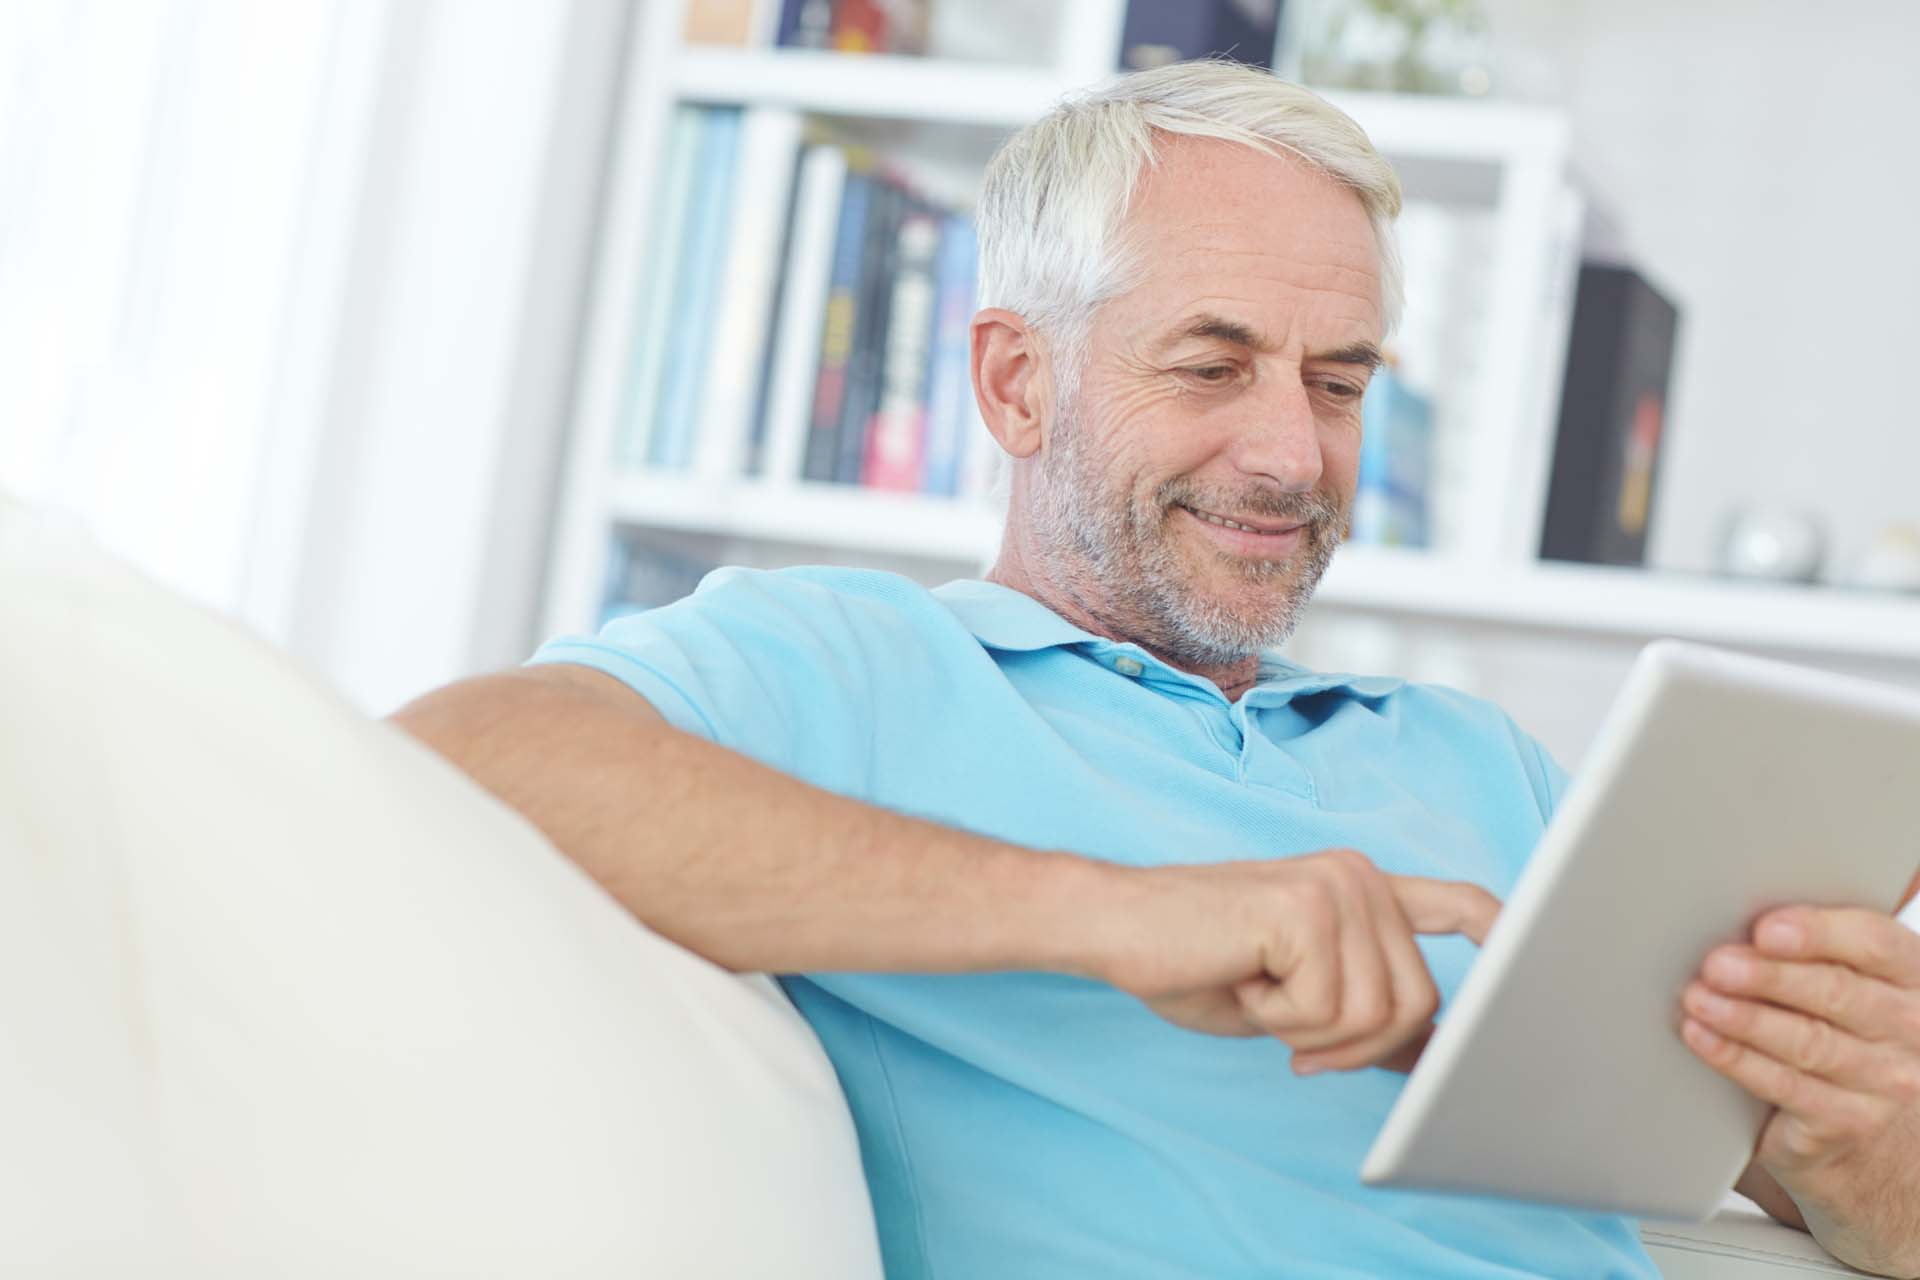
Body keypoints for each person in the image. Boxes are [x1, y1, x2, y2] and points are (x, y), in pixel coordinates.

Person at [394, 61, 1920, 1278]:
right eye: (1210, 367)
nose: (1289, 454)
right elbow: (462, 759)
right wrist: (1126, 915)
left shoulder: (1482, 765)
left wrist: (1866, 1159)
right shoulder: (859, 665)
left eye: (1336, 384)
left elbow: (1811, 1191)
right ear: (1016, 381)